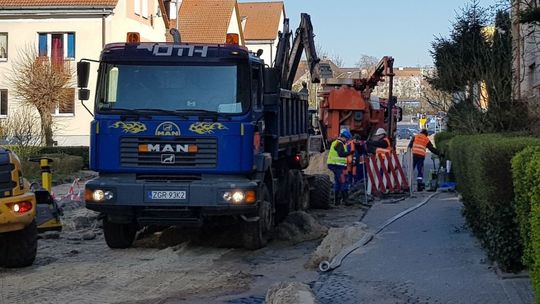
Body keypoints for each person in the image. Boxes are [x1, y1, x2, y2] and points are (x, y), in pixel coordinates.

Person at [327, 128, 354, 205]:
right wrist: (350, 152)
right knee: (343, 181)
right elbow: (341, 154)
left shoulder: (336, 143)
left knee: (338, 182)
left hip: (335, 165)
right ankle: (345, 200)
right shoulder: (339, 143)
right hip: (337, 166)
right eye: (347, 139)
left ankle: (337, 201)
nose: (347, 141)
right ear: (343, 137)